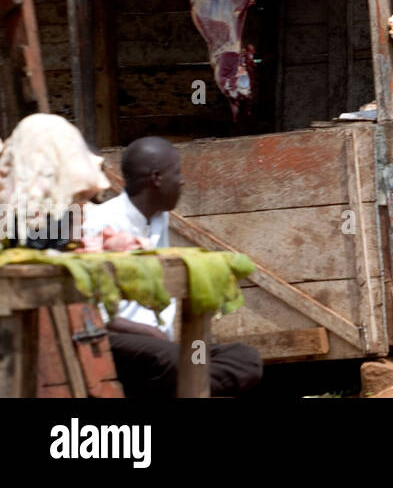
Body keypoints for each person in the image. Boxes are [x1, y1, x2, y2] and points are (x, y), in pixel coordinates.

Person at [82, 137, 263, 398]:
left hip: (157, 349)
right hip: (113, 339)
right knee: (172, 360)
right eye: (176, 172)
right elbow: (90, 311)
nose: (182, 181)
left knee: (246, 359)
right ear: (156, 178)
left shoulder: (159, 217)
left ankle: (172, 383)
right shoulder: (102, 223)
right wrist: (146, 331)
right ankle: (179, 383)